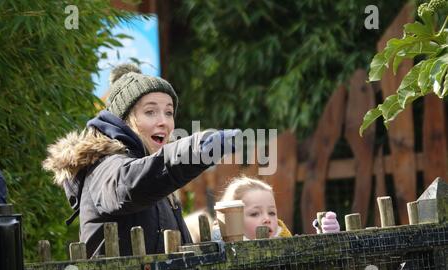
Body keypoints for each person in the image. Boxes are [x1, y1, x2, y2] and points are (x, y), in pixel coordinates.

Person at [43, 63, 241, 258]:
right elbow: (129, 184)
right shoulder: (103, 166)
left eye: (169, 112)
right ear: (125, 120)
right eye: (150, 112)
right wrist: (196, 150)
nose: (163, 121)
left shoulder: (156, 172)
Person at [211, 175, 340, 240]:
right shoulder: (222, 254)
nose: (267, 219)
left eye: (272, 212)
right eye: (255, 214)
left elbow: (312, 264)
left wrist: (327, 238)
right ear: (232, 218)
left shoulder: (286, 243)